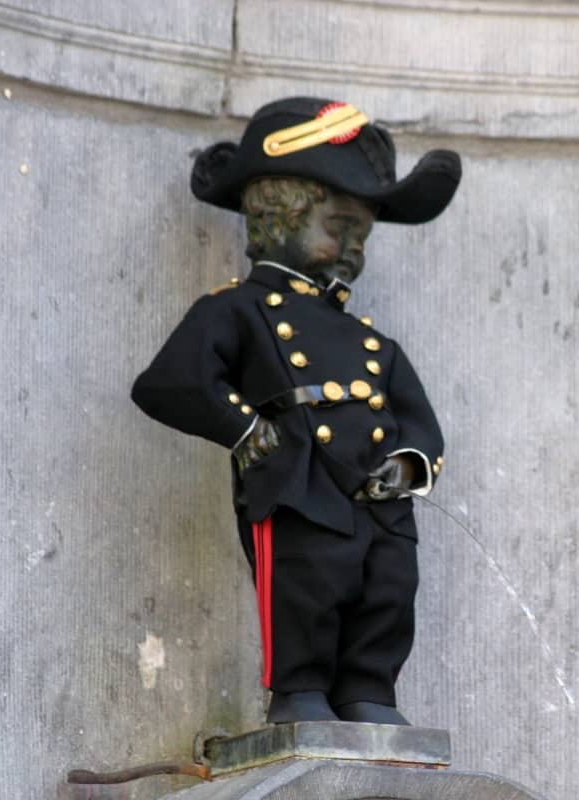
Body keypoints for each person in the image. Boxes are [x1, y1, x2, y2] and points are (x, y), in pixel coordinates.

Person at [131, 97, 461, 725]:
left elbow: (418, 420)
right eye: (341, 227)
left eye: (361, 236)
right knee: (305, 586)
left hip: (375, 492)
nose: (352, 249)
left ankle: (369, 692)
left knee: (388, 588)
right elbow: (170, 381)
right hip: (297, 481)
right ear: (280, 213)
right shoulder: (239, 310)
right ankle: (301, 692)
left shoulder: (370, 341)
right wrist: (245, 427)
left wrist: (410, 461)